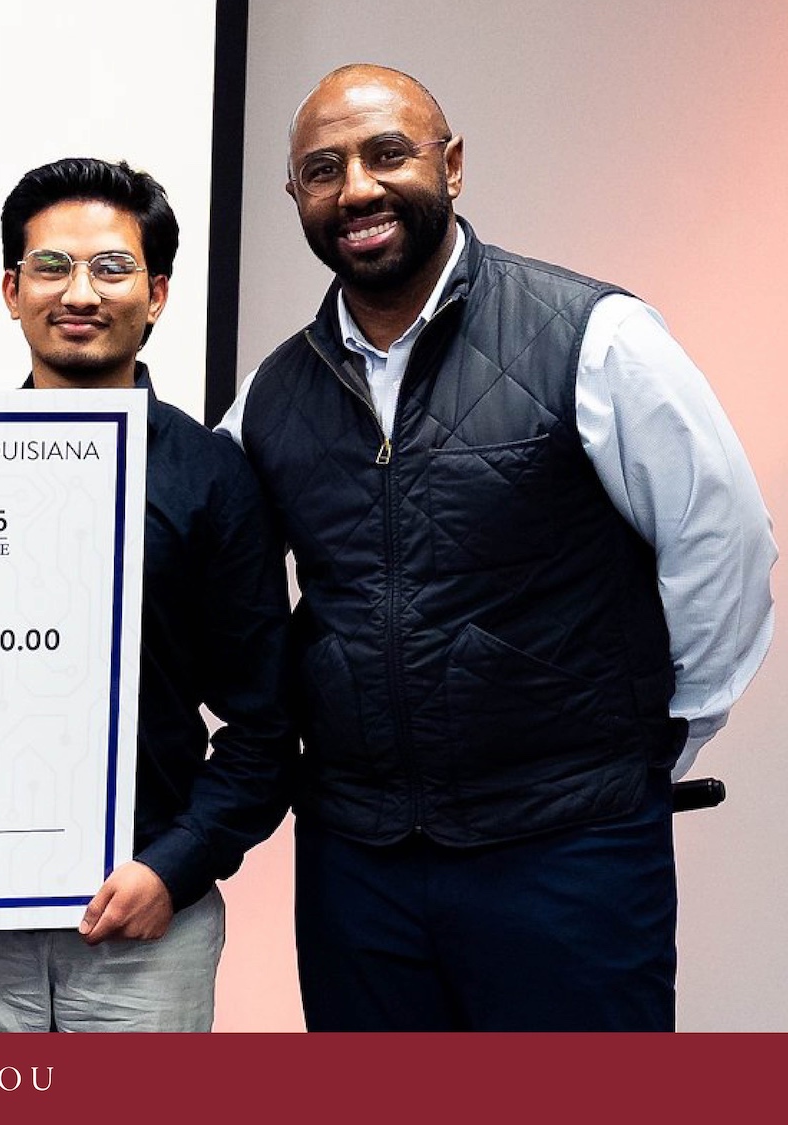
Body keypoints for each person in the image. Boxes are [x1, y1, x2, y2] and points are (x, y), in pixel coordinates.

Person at [219, 64, 776, 1031]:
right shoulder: (272, 393)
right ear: (296, 198)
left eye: (387, 153)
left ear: (453, 165)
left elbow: (723, 544)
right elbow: (186, 548)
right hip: (361, 868)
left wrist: (660, 740)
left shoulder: (595, 337)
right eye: (323, 168)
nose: (356, 188)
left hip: (569, 854)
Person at [0, 158, 295, 1032]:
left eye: (112, 268)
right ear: (11, 289)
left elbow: (266, 725)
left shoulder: (214, 479)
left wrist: (178, 865)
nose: (80, 291)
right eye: (51, 266)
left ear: (155, 294)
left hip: (147, 923)